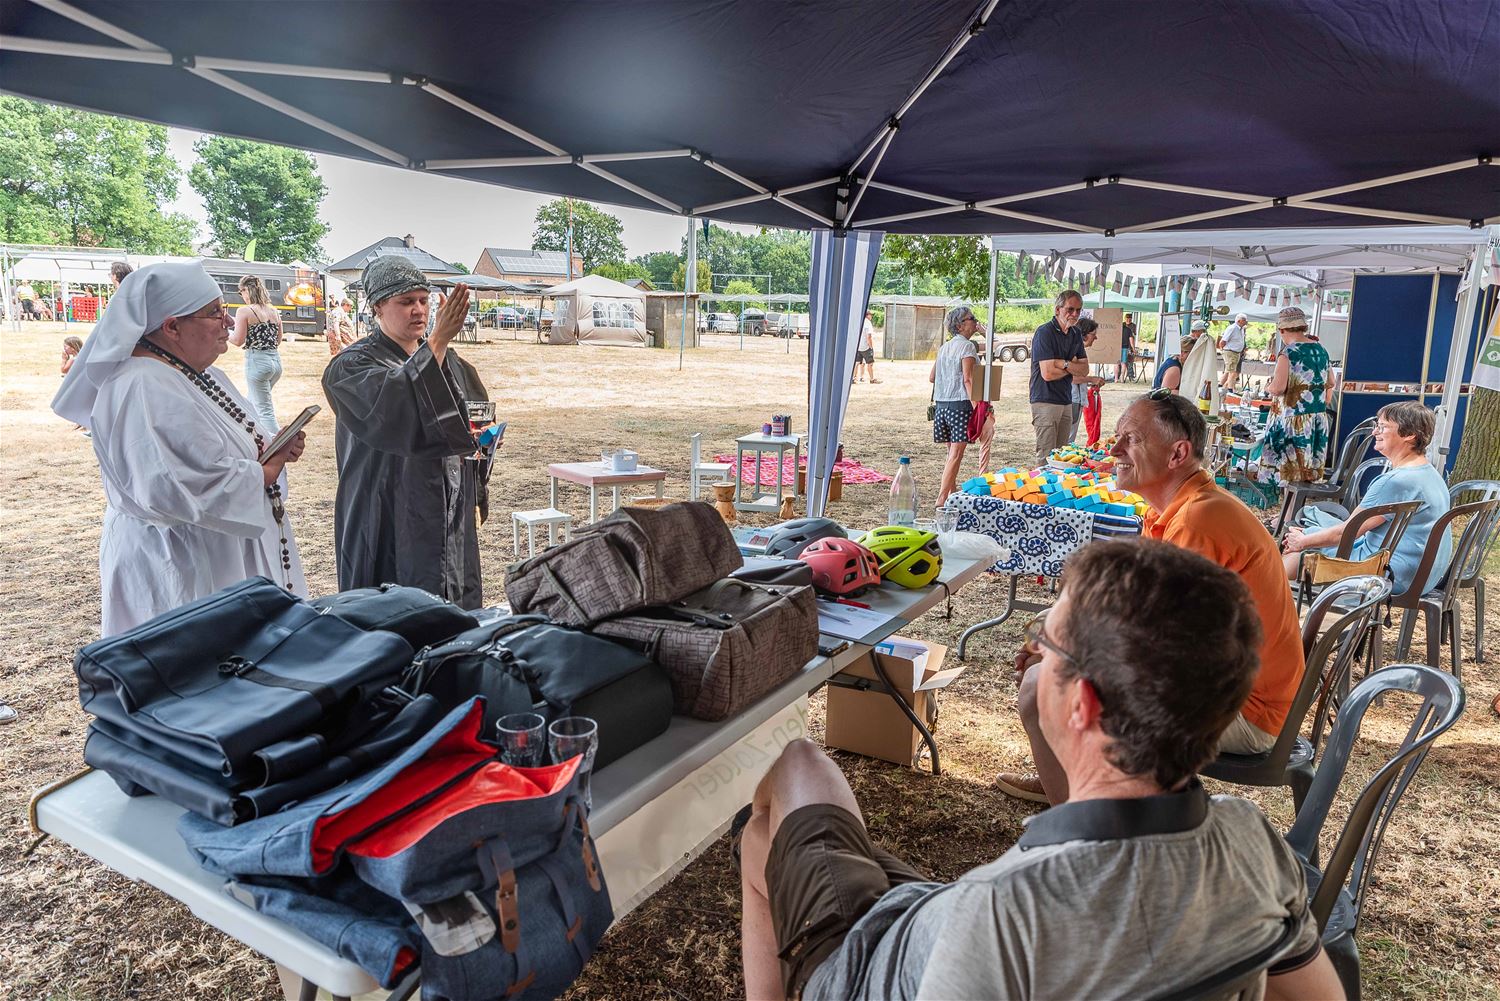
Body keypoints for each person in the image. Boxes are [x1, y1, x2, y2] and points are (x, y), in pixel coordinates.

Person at [741, 538, 1342, 1001]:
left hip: (864, 966)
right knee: (779, 833)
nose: (1033, 657)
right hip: (928, 923)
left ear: (1084, 703)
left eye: (1046, 645)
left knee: (795, 769)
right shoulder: (1252, 843)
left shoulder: (1003, 914)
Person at [999, 392, 1304, 803]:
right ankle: (1073, 784)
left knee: (1041, 688)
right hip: (1225, 689)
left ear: (1178, 453)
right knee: (1053, 671)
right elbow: (1130, 612)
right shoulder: (1175, 509)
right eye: (1117, 436)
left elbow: (1153, 643)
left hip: (1246, 711)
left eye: (1132, 439)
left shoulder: (1198, 518)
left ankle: (1079, 818)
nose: (1114, 449)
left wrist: (1060, 652)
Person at [50, 262, 307, 637]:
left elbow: (227, 443)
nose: (228, 322)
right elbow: (182, 485)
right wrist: (269, 468)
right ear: (172, 327)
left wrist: (273, 445)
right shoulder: (142, 386)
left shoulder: (195, 372)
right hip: (182, 559)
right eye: (215, 313)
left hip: (218, 551)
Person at [322, 256, 492, 608]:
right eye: (406, 302)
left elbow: (471, 424)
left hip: (447, 506)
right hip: (388, 509)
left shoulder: (453, 362)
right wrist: (437, 342)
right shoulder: (351, 366)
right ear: (378, 307)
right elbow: (393, 411)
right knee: (393, 608)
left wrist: (483, 442)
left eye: (423, 300)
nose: (418, 310)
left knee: (452, 603)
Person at [1283, 401, 1452, 595]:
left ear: (1410, 435)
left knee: (1303, 551)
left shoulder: (1395, 482)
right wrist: (1307, 536)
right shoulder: (1429, 473)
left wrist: (1302, 542)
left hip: (1390, 573)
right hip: (1421, 574)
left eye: (1383, 427)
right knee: (1308, 534)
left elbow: (1346, 534)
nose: (1374, 432)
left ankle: (1264, 597)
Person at [1259, 306, 1331, 486]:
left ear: (1282, 329)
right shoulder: (1321, 349)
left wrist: (1268, 386)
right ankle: (1295, 504)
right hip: (1316, 420)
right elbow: (1330, 382)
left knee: (1289, 477)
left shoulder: (1288, 353)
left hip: (1293, 420)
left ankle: (1286, 505)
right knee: (1305, 477)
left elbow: (1278, 388)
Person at [1029, 289, 1089, 465]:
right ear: (1057, 310)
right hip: (1045, 399)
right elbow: (1047, 374)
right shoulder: (1044, 332)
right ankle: (1042, 484)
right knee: (1046, 456)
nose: (1075, 314)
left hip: (1065, 399)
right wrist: (1072, 367)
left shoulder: (1075, 333)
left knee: (1062, 456)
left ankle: (1056, 484)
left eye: (1078, 310)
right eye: (1070, 309)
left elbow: (1084, 369)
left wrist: (1063, 364)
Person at [930, 305, 980, 507]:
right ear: (960, 325)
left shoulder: (944, 348)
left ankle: (951, 493)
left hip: (942, 405)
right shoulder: (967, 347)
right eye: (971, 318)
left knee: (951, 454)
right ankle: (941, 499)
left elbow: (932, 377)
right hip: (960, 405)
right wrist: (979, 407)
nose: (975, 321)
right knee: (956, 455)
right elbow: (968, 379)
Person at [229, 275, 285, 433]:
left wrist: (224, 332)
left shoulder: (244, 311)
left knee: (265, 411)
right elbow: (278, 339)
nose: (241, 295)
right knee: (250, 404)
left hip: (257, 363)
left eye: (241, 292)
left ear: (247, 290)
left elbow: (237, 340)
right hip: (275, 362)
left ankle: (278, 442)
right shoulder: (273, 310)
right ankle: (248, 435)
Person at [1069, 317, 1105, 442]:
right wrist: (1091, 379)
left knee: (1070, 436)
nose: (1095, 338)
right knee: (1068, 437)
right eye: (1093, 334)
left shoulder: (1078, 351)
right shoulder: (1072, 351)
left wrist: (1090, 381)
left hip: (1076, 398)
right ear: (1084, 334)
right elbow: (1070, 378)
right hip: (1071, 398)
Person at [1151, 322, 1201, 393]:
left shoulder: (1174, 362)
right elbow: (1167, 394)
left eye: (1186, 352)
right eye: (1181, 351)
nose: (1181, 354)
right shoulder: (1174, 369)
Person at [1220, 311, 1249, 389]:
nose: (1246, 321)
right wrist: (1223, 350)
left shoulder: (1242, 328)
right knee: (1233, 372)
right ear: (1239, 321)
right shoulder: (1232, 328)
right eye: (1244, 320)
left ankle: (1220, 385)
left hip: (1236, 353)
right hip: (1230, 351)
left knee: (1228, 371)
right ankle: (1230, 389)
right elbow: (1223, 341)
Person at [852, 311, 880, 384]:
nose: (871, 317)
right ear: (868, 315)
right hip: (865, 346)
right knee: (870, 363)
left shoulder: (859, 321)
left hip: (858, 346)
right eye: (871, 315)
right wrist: (871, 347)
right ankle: (872, 379)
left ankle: (853, 378)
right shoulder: (868, 323)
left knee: (856, 363)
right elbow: (869, 336)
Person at [1119, 311, 1137, 380]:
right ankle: (1119, 375)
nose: (1128, 320)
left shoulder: (1133, 325)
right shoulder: (1122, 324)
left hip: (1129, 345)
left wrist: (1133, 348)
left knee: (1130, 361)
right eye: (1127, 318)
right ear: (1125, 318)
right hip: (1122, 345)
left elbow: (1133, 335)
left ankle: (1130, 375)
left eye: (1130, 318)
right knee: (1120, 361)